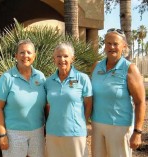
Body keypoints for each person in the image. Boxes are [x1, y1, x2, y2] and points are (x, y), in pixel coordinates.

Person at [91, 28, 146, 157]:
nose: (112, 47)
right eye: (108, 43)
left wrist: (137, 132)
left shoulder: (130, 69)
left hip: (120, 128)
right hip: (97, 125)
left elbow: (140, 102)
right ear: (104, 46)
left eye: (116, 44)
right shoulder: (96, 66)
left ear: (124, 46)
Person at [0, 39, 46, 157]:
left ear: (34, 56)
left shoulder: (41, 76)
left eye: (29, 52)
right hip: (13, 134)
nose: (25, 56)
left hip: (38, 132)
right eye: (22, 52)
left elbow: (47, 105)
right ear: (16, 56)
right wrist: (2, 135)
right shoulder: (7, 78)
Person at [45, 42, 93, 157]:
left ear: (72, 58)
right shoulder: (48, 81)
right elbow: (47, 106)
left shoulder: (82, 78)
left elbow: (88, 105)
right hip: (53, 133)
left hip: (75, 133)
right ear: (54, 59)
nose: (62, 59)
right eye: (58, 56)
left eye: (66, 56)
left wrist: (82, 123)